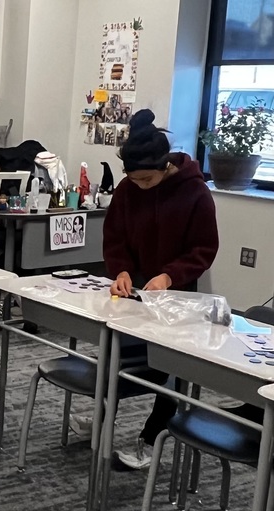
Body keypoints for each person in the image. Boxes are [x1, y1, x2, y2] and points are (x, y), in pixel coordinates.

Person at [87, 109, 234, 469]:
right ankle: (102, 423)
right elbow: (115, 238)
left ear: (166, 165)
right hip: (134, 289)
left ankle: (152, 438)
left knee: (174, 369)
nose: (141, 186)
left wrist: (169, 275)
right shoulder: (127, 190)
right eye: (134, 179)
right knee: (119, 356)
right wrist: (120, 269)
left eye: (148, 179)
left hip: (177, 295)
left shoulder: (195, 192)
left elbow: (203, 249)